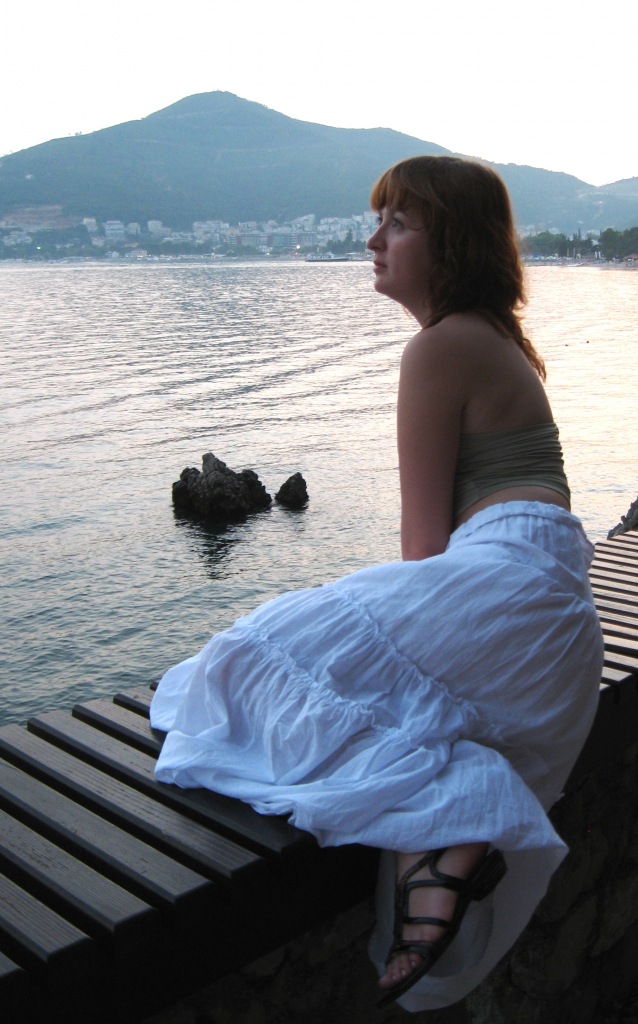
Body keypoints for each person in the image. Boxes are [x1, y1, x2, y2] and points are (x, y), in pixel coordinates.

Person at [150, 156, 603, 1010]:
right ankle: (450, 831)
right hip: (550, 626)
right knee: (347, 689)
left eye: (397, 222)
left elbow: (424, 545)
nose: (373, 240)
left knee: (236, 665)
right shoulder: (496, 339)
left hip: (507, 589)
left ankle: (458, 817)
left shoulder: (442, 345)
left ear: (452, 243)